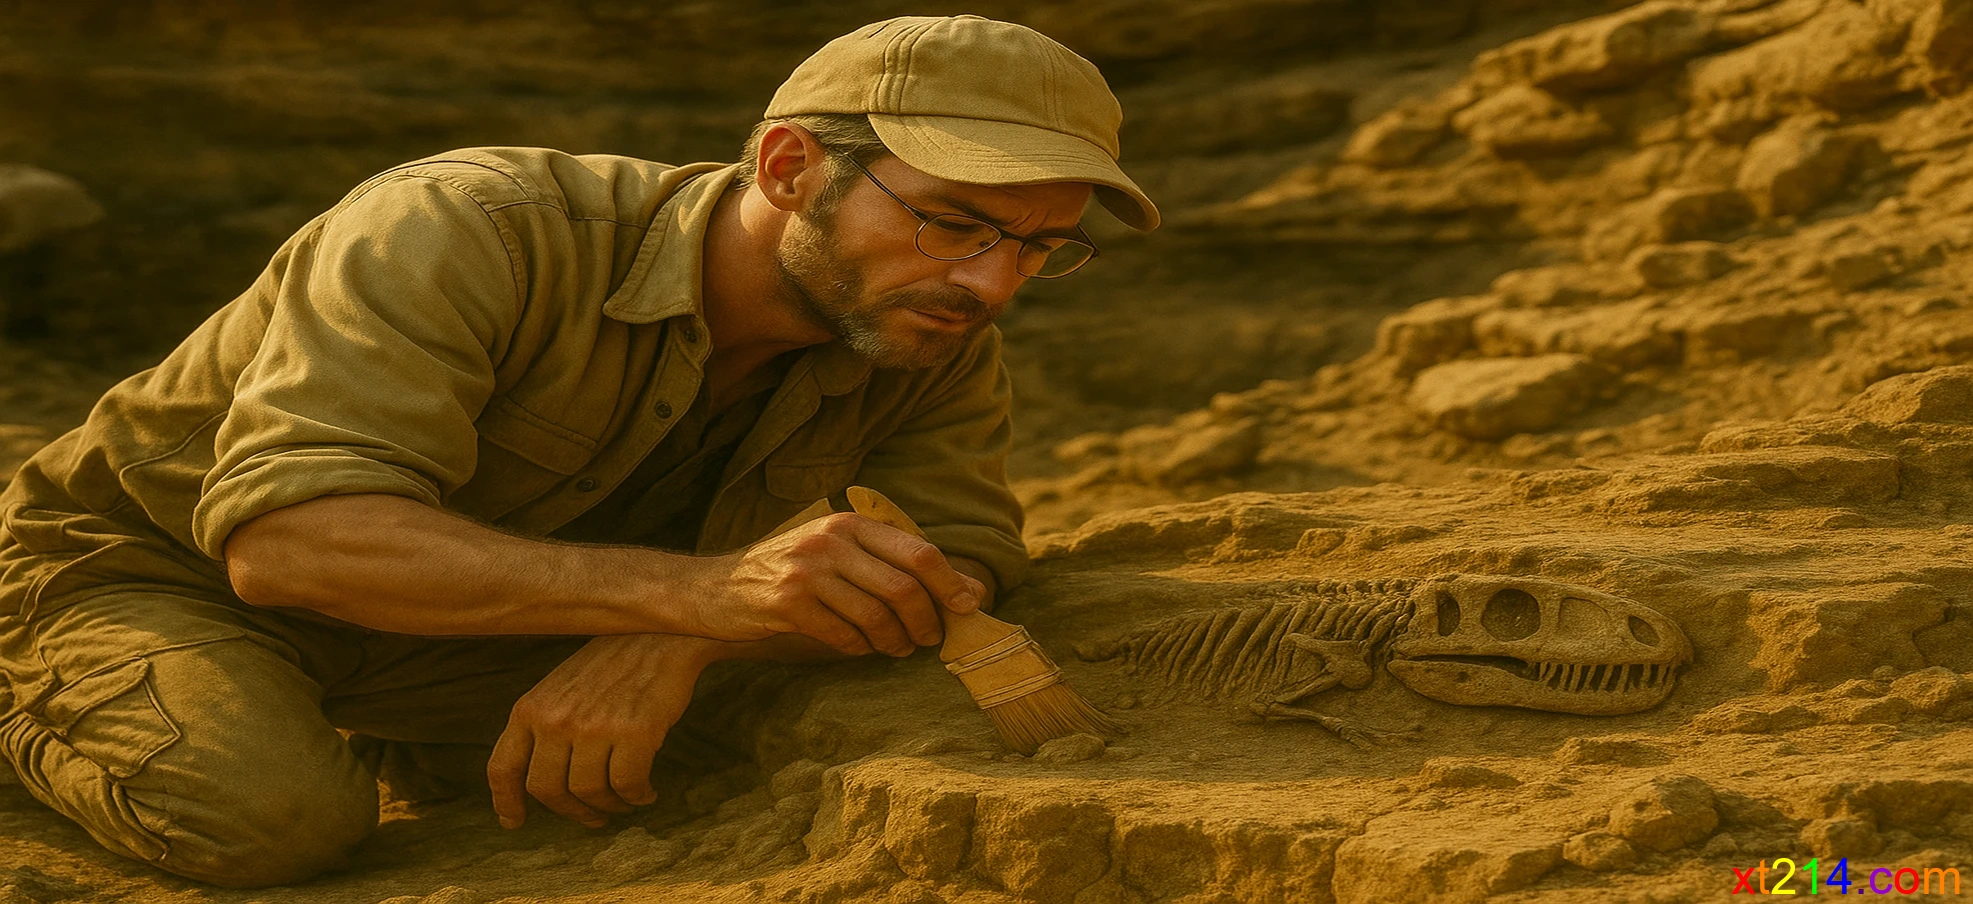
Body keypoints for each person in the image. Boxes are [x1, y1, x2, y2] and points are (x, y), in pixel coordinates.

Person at [0, 14, 1158, 889]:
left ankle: (426, 740)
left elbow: (960, 551)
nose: (989, 282)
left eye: (1039, 247)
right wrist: (705, 596)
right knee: (273, 820)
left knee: (769, 736)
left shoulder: (925, 330)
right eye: (953, 220)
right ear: (789, 169)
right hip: (154, 574)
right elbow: (292, 544)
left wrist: (678, 640)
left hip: (474, 627)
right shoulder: (472, 228)